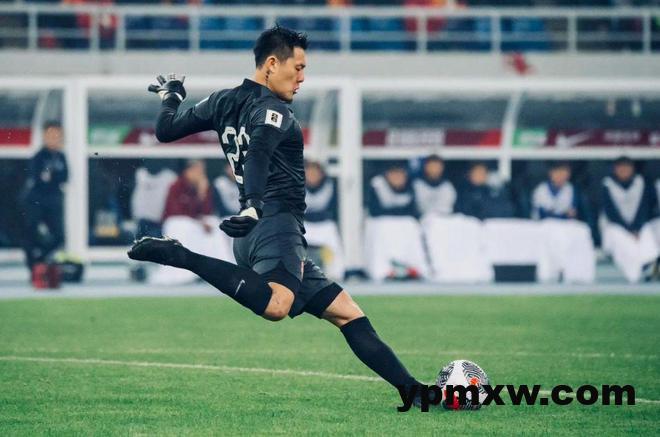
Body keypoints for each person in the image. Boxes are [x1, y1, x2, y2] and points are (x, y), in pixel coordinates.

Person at [128, 25, 424, 404]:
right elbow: (259, 154)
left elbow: (166, 130)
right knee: (276, 306)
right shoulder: (274, 110)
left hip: (256, 229)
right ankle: (180, 256)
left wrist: (171, 97)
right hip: (274, 224)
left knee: (347, 313)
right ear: (271, 64)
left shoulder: (221, 100)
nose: (302, 78)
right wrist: (254, 203)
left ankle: (415, 392)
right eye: (297, 68)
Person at [152, 159, 233, 284]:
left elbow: (207, 211)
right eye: (197, 170)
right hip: (178, 222)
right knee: (184, 226)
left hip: (196, 222)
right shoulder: (176, 185)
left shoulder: (202, 186)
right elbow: (176, 210)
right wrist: (198, 221)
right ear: (188, 170)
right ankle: (185, 271)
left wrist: (202, 193)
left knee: (214, 224)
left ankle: (218, 269)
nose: (200, 173)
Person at [531, 161, 595, 283]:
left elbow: (574, 212)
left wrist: (560, 214)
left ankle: (575, 272)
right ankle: (554, 270)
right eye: (558, 172)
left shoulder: (572, 189)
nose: (561, 175)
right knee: (553, 234)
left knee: (580, 232)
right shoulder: (541, 189)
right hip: (545, 225)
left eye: (564, 172)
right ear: (551, 173)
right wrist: (563, 214)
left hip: (566, 225)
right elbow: (543, 214)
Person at [364, 164, 429, 280]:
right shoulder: (377, 184)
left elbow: (412, 211)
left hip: (405, 224)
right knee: (383, 227)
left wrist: (395, 211)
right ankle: (384, 270)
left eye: (401, 174)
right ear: (387, 175)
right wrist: (398, 211)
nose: (398, 178)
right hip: (382, 223)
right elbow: (375, 210)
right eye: (394, 174)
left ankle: (413, 268)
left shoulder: (410, 186)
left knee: (412, 225)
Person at [600, 157, 659, 283]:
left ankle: (648, 267)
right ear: (615, 169)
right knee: (621, 240)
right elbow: (610, 212)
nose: (624, 170)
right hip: (616, 226)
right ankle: (635, 273)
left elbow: (645, 207)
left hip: (639, 226)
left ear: (632, 169)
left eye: (627, 167)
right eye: (621, 168)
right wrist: (628, 230)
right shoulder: (607, 184)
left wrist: (636, 228)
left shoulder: (641, 182)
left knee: (648, 235)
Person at [22, 121, 68, 271]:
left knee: (59, 236)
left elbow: (64, 176)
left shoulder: (61, 157)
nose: (54, 139)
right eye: (51, 135)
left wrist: (50, 177)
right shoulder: (39, 157)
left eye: (57, 136)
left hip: (53, 200)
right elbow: (37, 178)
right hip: (36, 199)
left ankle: (41, 259)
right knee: (31, 231)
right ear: (44, 137)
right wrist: (51, 178)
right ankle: (32, 265)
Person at [303, 160, 345, 280]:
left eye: (315, 173)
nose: (312, 176)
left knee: (334, 248)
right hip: (305, 224)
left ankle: (335, 274)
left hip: (325, 224)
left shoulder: (330, 185)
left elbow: (335, 207)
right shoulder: (297, 186)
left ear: (321, 174)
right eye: (309, 173)